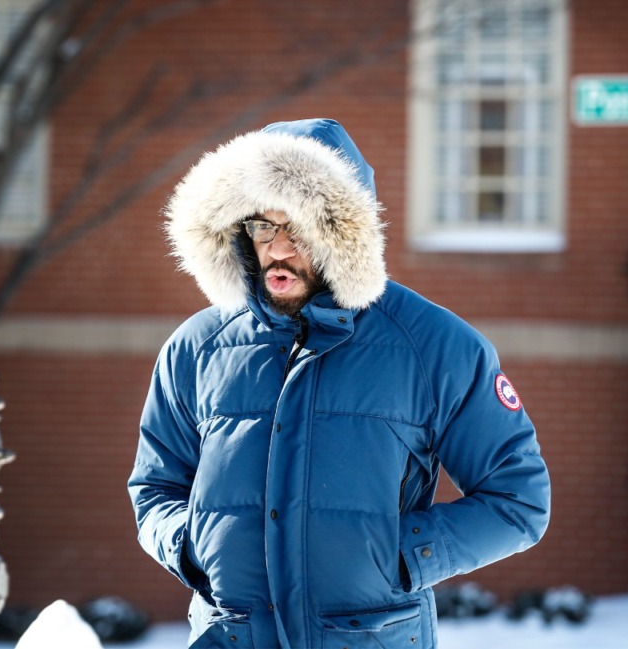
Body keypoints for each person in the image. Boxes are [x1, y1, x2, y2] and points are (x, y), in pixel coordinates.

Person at [128, 118, 550, 649]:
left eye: (297, 228)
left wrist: (399, 558)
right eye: (262, 226)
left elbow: (519, 500)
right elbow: (154, 488)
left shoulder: (435, 346)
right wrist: (193, 547)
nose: (277, 250)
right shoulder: (196, 348)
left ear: (340, 233)